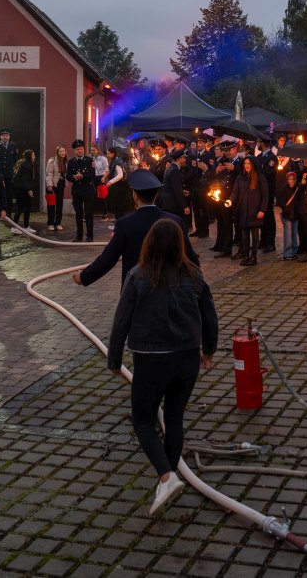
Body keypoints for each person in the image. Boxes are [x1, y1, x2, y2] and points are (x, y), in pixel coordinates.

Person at [107, 217, 218, 517]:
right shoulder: (194, 276)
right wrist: (208, 348)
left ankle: (167, 476)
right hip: (186, 358)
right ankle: (168, 478)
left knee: (143, 420)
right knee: (174, 417)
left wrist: (114, 361)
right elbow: (210, 314)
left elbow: (121, 321)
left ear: (150, 244)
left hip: (151, 359)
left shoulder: (138, 276)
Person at [74, 170, 200, 286]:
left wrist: (84, 276)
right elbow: (189, 256)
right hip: (170, 288)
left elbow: (108, 258)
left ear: (135, 195)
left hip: (136, 289)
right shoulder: (175, 221)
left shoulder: (125, 224)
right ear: (156, 195)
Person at [231, 156, 267, 266]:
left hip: (255, 210)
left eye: (249, 163)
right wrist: (230, 200)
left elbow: (265, 195)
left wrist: (262, 209)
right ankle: (245, 255)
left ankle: (253, 256)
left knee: (255, 234)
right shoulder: (240, 177)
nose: (247, 166)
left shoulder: (260, 177)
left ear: (253, 165)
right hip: (243, 210)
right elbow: (235, 192)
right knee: (244, 234)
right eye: (245, 163)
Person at [66, 139, 96, 242]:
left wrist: (82, 176)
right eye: (78, 149)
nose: (80, 151)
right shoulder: (71, 162)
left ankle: (90, 236)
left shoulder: (89, 160)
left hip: (88, 190)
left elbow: (92, 175)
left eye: (81, 149)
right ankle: (79, 236)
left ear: (84, 149)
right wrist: (74, 177)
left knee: (88, 214)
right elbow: (68, 176)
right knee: (78, 214)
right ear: (75, 151)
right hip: (77, 190)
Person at [0, 130, 19, 216]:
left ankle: (8, 212)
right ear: (0, 137)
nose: (5, 137)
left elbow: (15, 160)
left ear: (9, 137)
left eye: (7, 135)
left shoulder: (13, 145)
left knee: (9, 194)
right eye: (3, 135)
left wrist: (14, 172)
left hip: (9, 175)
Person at [277, 167, 303, 260]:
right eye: (290, 179)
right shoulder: (283, 189)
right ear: (287, 180)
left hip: (295, 214)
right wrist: (286, 209)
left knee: (294, 233)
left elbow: (299, 201)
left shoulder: (297, 189)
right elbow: (281, 202)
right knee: (288, 234)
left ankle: (294, 251)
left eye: (294, 179)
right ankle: (287, 253)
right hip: (287, 215)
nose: (292, 181)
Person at [13, 150, 39, 232]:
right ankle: (20, 227)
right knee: (25, 208)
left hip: (19, 189)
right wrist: (29, 190)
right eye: (33, 155)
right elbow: (25, 179)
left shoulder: (24, 164)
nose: (34, 157)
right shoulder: (27, 165)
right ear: (29, 156)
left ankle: (20, 227)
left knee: (21, 208)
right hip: (22, 190)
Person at [105, 147, 133, 220]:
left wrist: (110, 182)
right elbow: (108, 169)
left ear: (113, 154)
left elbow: (120, 175)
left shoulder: (118, 162)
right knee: (118, 204)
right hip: (118, 185)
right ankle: (118, 220)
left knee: (120, 204)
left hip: (122, 185)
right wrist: (104, 177)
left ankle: (120, 220)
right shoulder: (113, 160)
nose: (107, 155)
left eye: (108, 153)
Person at [45, 145, 68, 232]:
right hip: (53, 185)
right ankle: (50, 223)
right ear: (57, 152)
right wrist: (49, 185)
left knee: (59, 204)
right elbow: (49, 174)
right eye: (60, 151)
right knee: (51, 205)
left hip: (61, 185)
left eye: (63, 151)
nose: (62, 153)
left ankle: (58, 223)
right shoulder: (52, 161)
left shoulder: (66, 161)